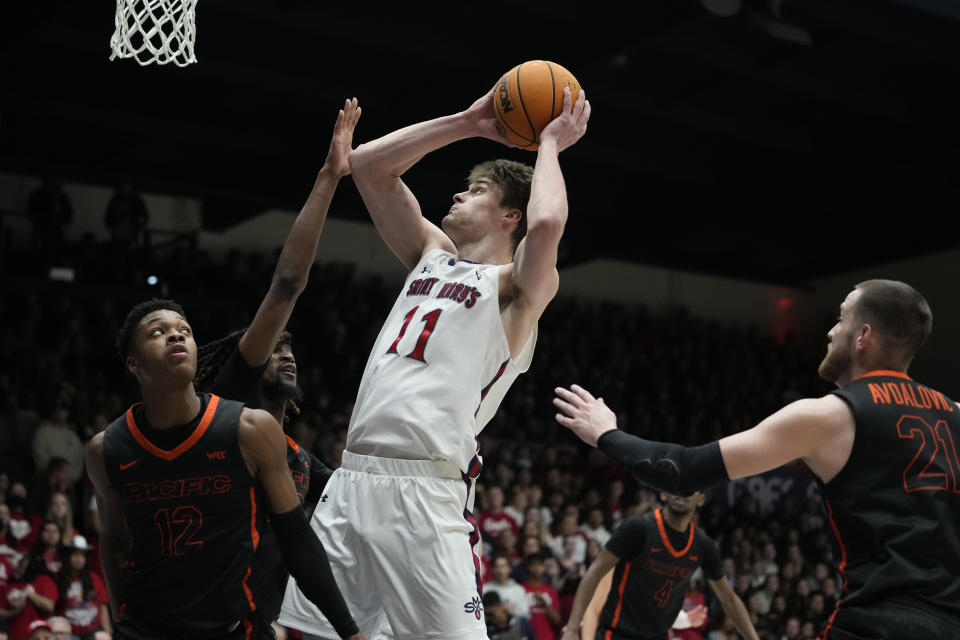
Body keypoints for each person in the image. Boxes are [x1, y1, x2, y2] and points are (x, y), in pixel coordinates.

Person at [280, 78, 590, 640]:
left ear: (509, 217)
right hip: (352, 481)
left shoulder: (516, 289)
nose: (456, 195)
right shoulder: (429, 255)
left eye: (475, 191)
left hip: (426, 493)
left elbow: (548, 224)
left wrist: (549, 144)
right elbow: (367, 165)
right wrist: (468, 123)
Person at [554, 280, 960, 639]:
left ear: (863, 336)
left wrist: (607, 434)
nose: (832, 330)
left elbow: (682, 471)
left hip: (877, 622)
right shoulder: (956, 415)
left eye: (841, 318)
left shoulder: (831, 415)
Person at [85, 299, 363, 639]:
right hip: (146, 627)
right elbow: (114, 545)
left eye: (184, 331)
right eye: (159, 332)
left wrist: (349, 631)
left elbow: (300, 539)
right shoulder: (108, 448)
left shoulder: (263, 437)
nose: (175, 337)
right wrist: (120, 624)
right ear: (132, 362)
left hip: (239, 625)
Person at [192, 98, 361, 629]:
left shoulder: (304, 464)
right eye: (276, 348)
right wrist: (331, 175)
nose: (286, 355)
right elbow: (287, 282)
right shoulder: (233, 398)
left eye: (292, 349)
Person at [561, 491, 756, 640]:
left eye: (690, 487)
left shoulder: (703, 545)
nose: (682, 491)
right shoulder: (637, 529)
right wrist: (571, 629)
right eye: (676, 485)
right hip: (618, 634)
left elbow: (729, 600)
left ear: (701, 499)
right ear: (663, 493)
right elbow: (593, 580)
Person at [55, 534, 110, 637]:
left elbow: (103, 609)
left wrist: (107, 634)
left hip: (94, 633)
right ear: (68, 556)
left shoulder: (95, 578)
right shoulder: (58, 579)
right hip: (68, 634)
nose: (78, 558)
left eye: (82, 555)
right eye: (75, 554)